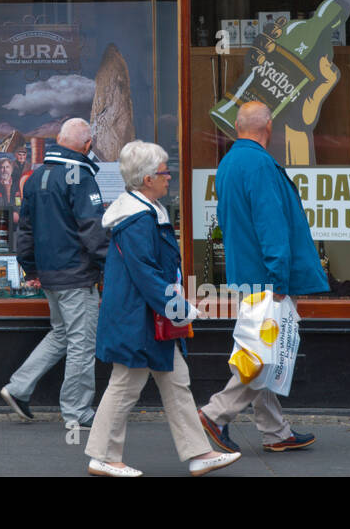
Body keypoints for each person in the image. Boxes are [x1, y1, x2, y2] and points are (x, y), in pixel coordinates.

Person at [86, 141, 241, 477]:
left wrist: (176, 306)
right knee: (127, 385)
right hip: (139, 319)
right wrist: (180, 307)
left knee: (175, 380)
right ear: (146, 180)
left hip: (144, 318)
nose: (169, 177)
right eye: (163, 172)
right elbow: (147, 273)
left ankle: (198, 453)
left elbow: (148, 272)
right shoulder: (139, 220)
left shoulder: (142, 214)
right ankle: (102, 456)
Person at [198, 101, 326, 454]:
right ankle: (215, 413)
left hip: (250, 275)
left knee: (262, 349)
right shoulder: (260, 164)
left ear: (239, 127)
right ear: (268, 127)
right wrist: (279, 281)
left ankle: (275, 430)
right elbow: (272, 227)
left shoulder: (229, 163)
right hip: (268, 278)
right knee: (263, 354)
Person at [0, 117, 107, 428]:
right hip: (76, 275)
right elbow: (92, 229)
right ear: (87, 146)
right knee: (81, 343)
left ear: (59, 140)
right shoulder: (81, 176)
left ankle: (18, 388)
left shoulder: (35, 177)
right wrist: (109, 266)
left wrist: (30, 266)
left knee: (61, 334)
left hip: (49, 274)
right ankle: (77, 412)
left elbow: (26, 229)